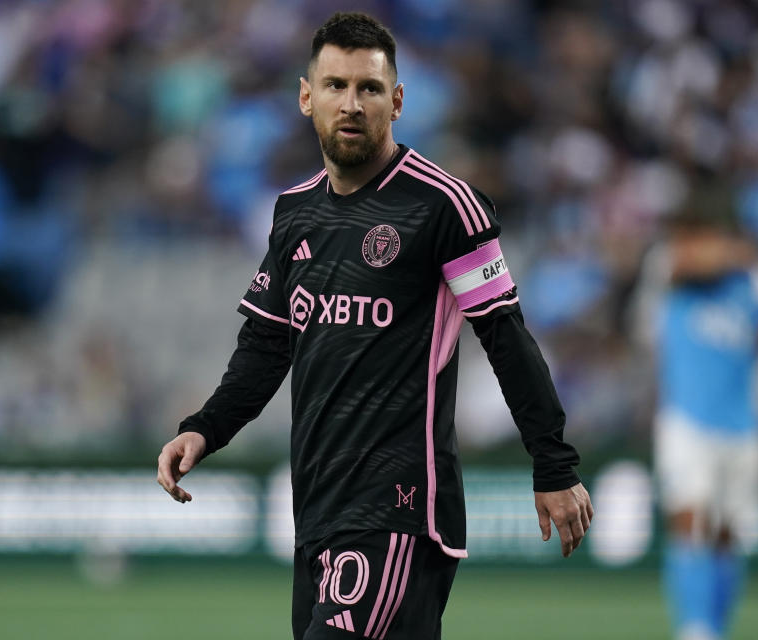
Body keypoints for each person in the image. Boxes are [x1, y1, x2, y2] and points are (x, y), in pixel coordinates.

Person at [157, 12, 592, 639]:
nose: (352, 104)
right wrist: (206, 428)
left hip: (399, 508)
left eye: (369, 88)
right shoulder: (293, 213)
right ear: (306, 97)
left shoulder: (445, 206)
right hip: (318, 507)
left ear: (398, 100)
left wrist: (553, 464)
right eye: (335, 86)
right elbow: (267, 343)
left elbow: (507, 336)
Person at [646, 186, 758, 640]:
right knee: (688, 517)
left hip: (744, 424)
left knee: (728, 534)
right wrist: (736, 253)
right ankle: (695, 628)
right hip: (686, 419)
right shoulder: (669, 261)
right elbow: (686, 266)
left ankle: (715, 627)